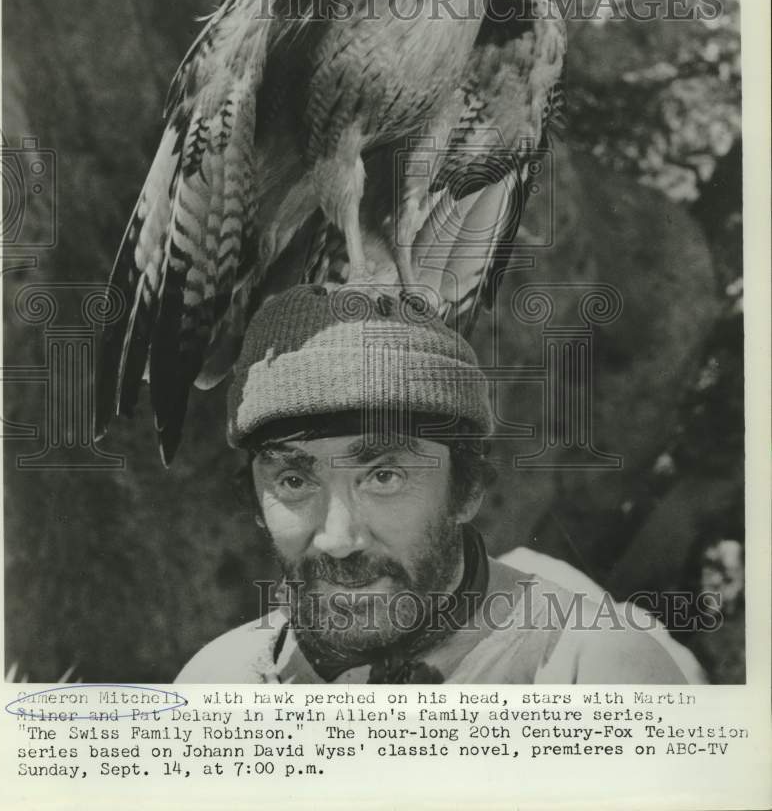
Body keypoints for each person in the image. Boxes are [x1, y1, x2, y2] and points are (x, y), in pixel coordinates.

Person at [176, 285, 689, 685]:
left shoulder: (584, 670)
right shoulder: (221, 682)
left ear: (466, 490)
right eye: (293, 480)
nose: (338, 537)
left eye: (383, 476)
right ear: (255, 502)